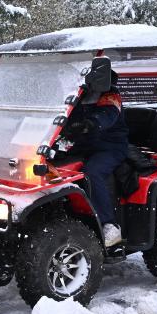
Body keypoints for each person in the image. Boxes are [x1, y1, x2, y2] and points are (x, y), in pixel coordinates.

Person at [65, 78, 129, 247]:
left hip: (110, 147)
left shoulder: (111, 95)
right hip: (83, 145)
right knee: (54, 168)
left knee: (92, 172)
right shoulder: (78, 93)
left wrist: (90, 123)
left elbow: (107, 115)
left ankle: (109, 224)